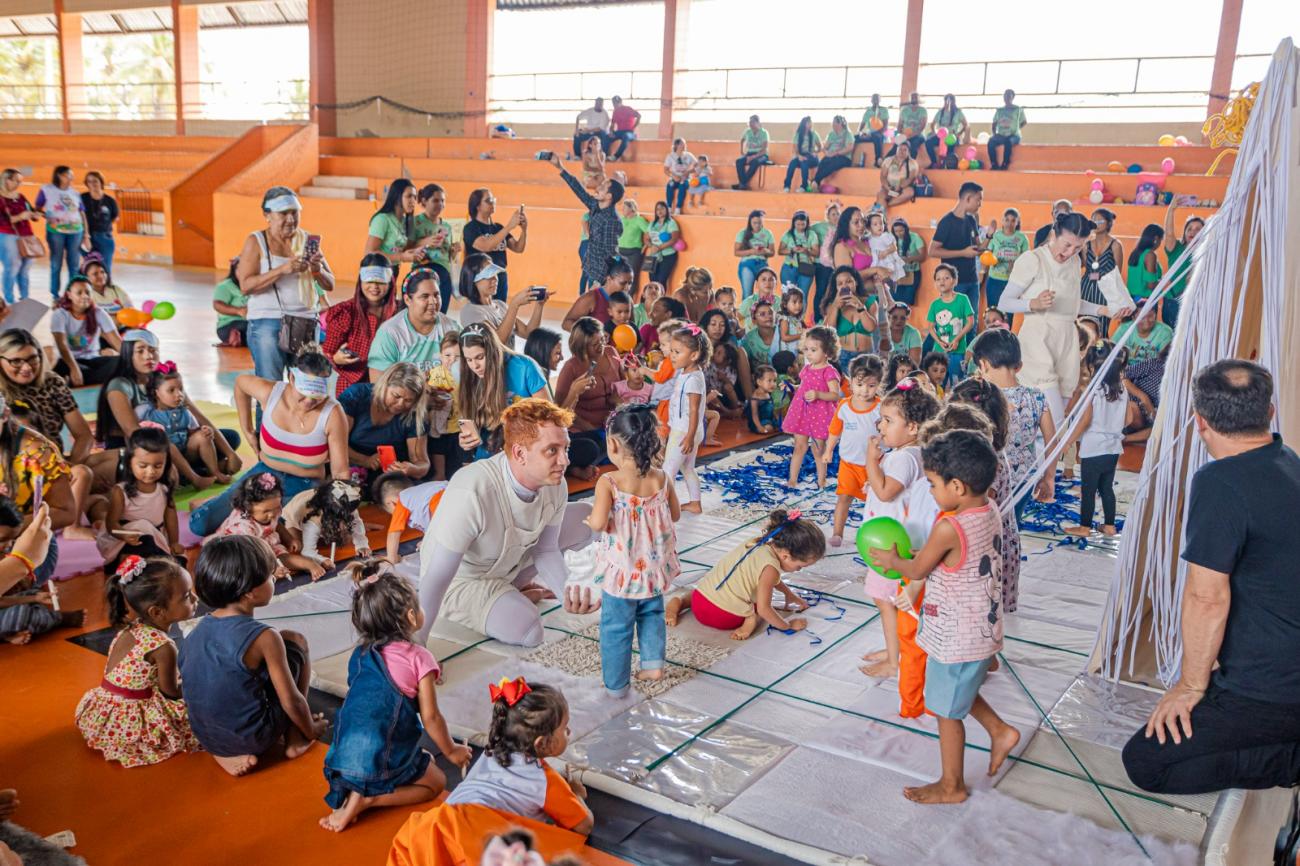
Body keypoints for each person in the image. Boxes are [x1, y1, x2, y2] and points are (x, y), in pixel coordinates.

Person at [1122, 360, 1300, 796]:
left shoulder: (1219, 481)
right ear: (1270, 412)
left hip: (1274, 689)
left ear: (1199, 421)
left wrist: (1190, 685)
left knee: (1147, 762)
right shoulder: (1287, 459)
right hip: (1283, 667)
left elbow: (1207, 597)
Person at [868, 430, 1019, 804]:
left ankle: (952, 786)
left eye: (933, 484)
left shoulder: (950, 526)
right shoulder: (988, 507)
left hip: (957, 637)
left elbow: (918, 569)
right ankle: (999, 730)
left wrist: (892, 560)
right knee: (957, 690)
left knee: (944, 710)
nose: (931, 492)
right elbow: (950, 558)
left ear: (957, 486)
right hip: (981, 630)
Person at [413, 399, 597, 647]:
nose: (565, 461)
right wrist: (417, 646)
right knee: (529, 631)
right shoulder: (472, 489)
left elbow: (546, 550)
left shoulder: (556, 484)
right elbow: (438, 576)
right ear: (520, 453)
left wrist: (568, 593)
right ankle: (499, 598)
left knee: (589, 518)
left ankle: (511, 589)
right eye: (552, 451)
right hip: (463, 581)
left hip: (509, 564)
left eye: (566, 448)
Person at [320, 559, 471, 833]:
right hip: (380, 756)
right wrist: (452, 751)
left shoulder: (360, 654)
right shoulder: (420, 658)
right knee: (435, 783)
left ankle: (357, 790)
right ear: (412, 617)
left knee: (414, 751)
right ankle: (368, 799)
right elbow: (431, 717)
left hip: (342, 756)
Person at [388, 680, 593, 864]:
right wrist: (576, 795)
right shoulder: (543, 779)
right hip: (475, 833)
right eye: (564, 728)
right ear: (541, 743)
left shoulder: (491, 753)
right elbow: (584, 825)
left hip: (435, 828)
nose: (569, 732)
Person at [181, 535, 327, 776]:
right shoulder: (265, 637)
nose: (274, 578)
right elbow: (291, 701)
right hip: (254, 737)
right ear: (249, 592)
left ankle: (225, 753)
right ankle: (296, 738)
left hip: (207, 737)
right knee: (295, 640)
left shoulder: (195, 632)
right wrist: (311, 728)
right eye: (270, 575)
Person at [188, 344, 348, 537]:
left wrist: (342, 513)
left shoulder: (333, 413)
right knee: (199, 524)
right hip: (264, 474)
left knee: (276, 531)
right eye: (303, 393)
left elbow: (340, 472)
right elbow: (240, 383)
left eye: (316, 397)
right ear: (292, 378)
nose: (308, 402)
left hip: (305, 483)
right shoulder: (271, 392)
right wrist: (248, 430)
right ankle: (215, 502)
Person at [996, 212, 1133, 426]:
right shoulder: (1033, 260)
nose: (1069, 252)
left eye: (1077, 247)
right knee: (1056, 418)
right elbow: (1004, 302)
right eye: (1067, 245)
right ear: (1054, 234)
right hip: (1039, 339)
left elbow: (1072, 303)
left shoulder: (1074, 262)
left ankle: (1046, 449)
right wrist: (1033, 304)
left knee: (1057, 414)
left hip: (1067, 340)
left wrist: (1104, 310)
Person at [586, 404, 680, 696]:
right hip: (653, 568)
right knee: (652, 614)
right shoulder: (661, 478)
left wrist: (591, 520)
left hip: (623, 570)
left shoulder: (608, 482)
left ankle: (616, 685)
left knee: (616, 626)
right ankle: (653, 665)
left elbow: (599, 523)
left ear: (613, 444)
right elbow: (675, 514)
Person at [75, 556, 198, 766]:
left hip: (103, 712)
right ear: (157, 611)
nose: (195, 598)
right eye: (187, 596)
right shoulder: (163, 646)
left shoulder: (131, 628)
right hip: (130, 721)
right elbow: (170, 692)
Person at [860, 380, 941, 679]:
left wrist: (871, 462)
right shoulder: (915, 453)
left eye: (888, 420)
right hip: (902, 539)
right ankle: (896, 649)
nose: (880, 426)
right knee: (891, 601)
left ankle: (895, 661)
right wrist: (875, 477)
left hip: (891, 545)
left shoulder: (903, 457)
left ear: (912, 428)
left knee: (885, 601)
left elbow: (885, 492)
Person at [665, 508, 821, 640]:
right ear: (786, 556)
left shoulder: (757, 542)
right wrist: (787, 626)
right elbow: (764, 609)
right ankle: (750, 621)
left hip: (699, 601)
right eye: (799, 567)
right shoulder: (771, 569)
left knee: (711, 587)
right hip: (725, 618)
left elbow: (768, 579)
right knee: (758, 606)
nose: (798, 570)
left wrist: (788, 594)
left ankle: (680, 602)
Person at [95, 330, 240, 466]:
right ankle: (190, 470)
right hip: (139, 446)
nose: (148, 356)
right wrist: (170, 452)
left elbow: (197, 415)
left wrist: (230, 453)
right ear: (128, 354)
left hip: (172, 441)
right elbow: (133, 432)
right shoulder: (119, 385)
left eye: (153, 350)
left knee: (230, 437)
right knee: (142, 463)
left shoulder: (162, 379)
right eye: (140, 351)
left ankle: (187, 469)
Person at [235, 187, 335, 382]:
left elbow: (330, 283)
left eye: (294, 213)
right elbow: (246, 286)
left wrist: (317, 270)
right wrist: (282, 270)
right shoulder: (256, 241)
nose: (290, 219)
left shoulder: (307, 240)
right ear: (267, 215)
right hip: (268, 321)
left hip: (305, 321)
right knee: (270, 385)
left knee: (306, 384)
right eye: (283, 213)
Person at [968, 328, 1056, 523]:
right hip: (1025, 481)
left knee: (987, 528)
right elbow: (1052, 441)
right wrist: (1049, 477)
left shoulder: (982, 398)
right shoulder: (1037, 397)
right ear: (1019, 366)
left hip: (989, 481)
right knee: (1012, 525)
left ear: (983, 364)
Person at [206, 471, 330, 580]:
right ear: (248, 507)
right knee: (245, 570)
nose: (272, 514)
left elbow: (277, 524)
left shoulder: (272, 511)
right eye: (266, 511)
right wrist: (271, 570)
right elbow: (251, 557)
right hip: (243, 552)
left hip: (265, 542)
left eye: (276, 507)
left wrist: (289, 539)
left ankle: (310, 564)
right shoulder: (243, 527)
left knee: (284, 557)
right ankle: (300, 565)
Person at [455, 325, 551, 463]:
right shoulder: (470, 376)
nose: (475, 366)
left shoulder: (525, 366)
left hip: (527, 447)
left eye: (480, 357)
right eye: (469, 360)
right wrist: (467, 439)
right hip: (490, 452)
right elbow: (475, 425)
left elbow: (548, 417)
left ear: (493, 351)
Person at [1061, 340, 1127, 538]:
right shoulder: (1122, 389)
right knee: (1106, 487)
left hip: (1094, 448)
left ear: (1092, 366)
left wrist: (1068, 441)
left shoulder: (1094, 389)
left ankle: (1084, 527)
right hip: (1113, 448)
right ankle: (1109, 525)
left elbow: (1085, 420)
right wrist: (1113, 426)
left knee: (1088, 490)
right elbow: (1129, 418)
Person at [96, 426, 184, 574]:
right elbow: (111, 524)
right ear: (130, 462)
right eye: (143, 466)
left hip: (154, 538)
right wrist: (123, 534)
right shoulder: (120, 491)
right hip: (125, 541)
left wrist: (174, 542)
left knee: (172, 565)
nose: (150, 471)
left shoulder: (164, 489)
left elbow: (171, 518)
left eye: (158, 466)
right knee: (133, 560)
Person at [139, 361, 235, 488]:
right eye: (171, 390)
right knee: (167, 446)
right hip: (168, 460)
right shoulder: (147, 413)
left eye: (180, 389)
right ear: (156, 392)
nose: (178, 394)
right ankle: (192, 475)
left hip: (188, 454)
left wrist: (205, 432)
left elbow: (194, 433)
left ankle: (214, 472)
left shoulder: (185, 412)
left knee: (205, 436)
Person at [340, 362, 430, 483]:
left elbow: (422, 463)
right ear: (384, 386)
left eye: (408, 400)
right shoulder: (356, 396)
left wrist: (412, 469)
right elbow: (336, 445)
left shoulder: (414, 414)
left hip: (390, 478)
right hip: (349, 468)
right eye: (396, 396)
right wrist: (365, 460)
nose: (400, 404)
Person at [827, 355, 884, 545]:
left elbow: (889, 430)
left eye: (871, 386)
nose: (864, 391)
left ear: (879, 384)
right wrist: (828, 450)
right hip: (849, 464)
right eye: (859, 385)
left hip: (874, 465)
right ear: (850, 382)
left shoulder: (881, 407)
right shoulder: (844, 406)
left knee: (875, 501)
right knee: (844, 498)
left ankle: (873, 535)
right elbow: (835, 430)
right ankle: (837, 533)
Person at [553, 317, 620, 479]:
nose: (601, 346)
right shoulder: (571, 368)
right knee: (599, 444)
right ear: (582, 346)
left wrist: (620, 403)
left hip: (611, 424)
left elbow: (624, 385)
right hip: (584, 430)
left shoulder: (611, 353)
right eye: (595, 344)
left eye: (603, 340)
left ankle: (580, 465)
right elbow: (559, 411)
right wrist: (590, 427)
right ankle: (573, 467)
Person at [324, 254, 400, 395]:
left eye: (380, 282)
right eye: (369, 281)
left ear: (390, 283)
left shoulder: (400, 313)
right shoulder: (345, 312)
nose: (374, 287)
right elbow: (327, 352)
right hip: (351, 386)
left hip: (389, 384)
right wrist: (335, 359)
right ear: (360, 281)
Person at [548, 152, 623, 289]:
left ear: (609, 196)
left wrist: (599, 281)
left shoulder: (613, 221)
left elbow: (610, 253)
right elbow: (579, 190)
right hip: (591, 268)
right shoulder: (596, 205)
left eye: (603, 187)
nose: (598, 188)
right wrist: (560, 167)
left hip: (600, 277)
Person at [369, 267, 459, 378]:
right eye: (425, 296)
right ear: (407, 300)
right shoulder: (390, 333)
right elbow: (377, 382)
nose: (433, 301)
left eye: (436, 295)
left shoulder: (452, 328)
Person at [783, 326, 840, 489]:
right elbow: (804, 387)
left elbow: (835, 395)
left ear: (827, 352)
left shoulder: (829, 372)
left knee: (818, 449)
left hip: (820, 414)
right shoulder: (807, 369)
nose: (808, 354)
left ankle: (821, 480)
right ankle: (792, 479)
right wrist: (792, 387)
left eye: (813, 350)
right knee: (799, 446)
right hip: (802, 412)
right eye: (806, 349)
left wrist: (818, 394)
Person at [662, 325, 709, 515]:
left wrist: (689, 436)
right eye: (672, 351)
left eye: (677, 352)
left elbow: (694, 410)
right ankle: (695, 503)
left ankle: (666, 507)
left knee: (668, 469)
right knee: (688, 468)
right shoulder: (688, 373)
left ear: (694, 355)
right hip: (687, 430)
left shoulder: (693, 380)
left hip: (684, 432)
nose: (672, 356)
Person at [49, 275, 120, 387]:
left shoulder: (99, 313)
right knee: (60, 366)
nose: (85, 296)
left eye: (88, 292)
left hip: (93, 360)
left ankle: (82, 380)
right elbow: (62, 345)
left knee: (121, 362)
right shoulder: (60, 314)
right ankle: (95, 379)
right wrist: (74, 369)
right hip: (69, 361)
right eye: (79, 293)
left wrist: (133, 360)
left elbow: (117, 341)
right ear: (69, 295)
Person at [929, 182, 986, 321]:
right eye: (978, 200)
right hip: (954, 282)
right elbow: (932, 251)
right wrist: (962, 253)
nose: (980, 204)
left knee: (971, 322)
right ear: (968, 198)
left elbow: (978, 248)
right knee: (952, 321)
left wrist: (989, 236)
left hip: (972, 280)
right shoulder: (947, 222)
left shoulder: (971, 220)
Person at [459, 257, 547, 346]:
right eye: (488, 275)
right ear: (472, 280)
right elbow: (497, 342)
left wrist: (539, 305)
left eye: (495, 274)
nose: (495, 279)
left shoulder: (500, 305)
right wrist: (514, 305)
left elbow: (528, 333)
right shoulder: (470, 312)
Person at [281, 479, 370, 567]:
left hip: (326, 517)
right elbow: (307, 551)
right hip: (291, 520)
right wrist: (322, 560)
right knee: (298, 547)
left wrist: (361, 544)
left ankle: (326, 532)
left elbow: (356, 520)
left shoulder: (345, 503)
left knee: (344, 539)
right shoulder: (314, 518)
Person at [464, 188, 526, 303]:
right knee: (483, 311)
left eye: (493, 200)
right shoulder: (471, 228)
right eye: (488, 200)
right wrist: (509, 226)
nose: (493, 203)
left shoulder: (498, 228)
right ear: (477, 206)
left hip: (500, 276)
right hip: (482, 279)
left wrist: (524, 230)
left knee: (500, 310)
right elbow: (486, 246)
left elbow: (518, 248)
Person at [35, 165, 84, 297]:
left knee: (74, 264)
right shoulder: (47, 189)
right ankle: (55, 294)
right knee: (56, 263)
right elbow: (38, 208)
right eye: (68, 175)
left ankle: (72, 293)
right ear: (59, 176)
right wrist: (48, 217)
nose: (71, 178)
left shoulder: (75, 193)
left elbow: (82, 213)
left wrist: (86, 233)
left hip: (75, 232)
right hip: (56, 232)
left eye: (72, 175)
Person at [411, 183, 462, 311]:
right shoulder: (415, 223)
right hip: (422, 272)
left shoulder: (447, 227)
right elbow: (406, 249)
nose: (440, 204)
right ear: (424, 201)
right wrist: (425, 241)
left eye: (442, 201)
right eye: (435, 200)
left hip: (444, 275)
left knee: (441, 313)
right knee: (423, 312)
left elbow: (449, 256)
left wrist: (454, 251)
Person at [926, 263, 975, 385]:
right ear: (935, 283)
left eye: (946, 278)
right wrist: (939, 342)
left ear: (955, 281)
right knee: (938, 383)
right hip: (939, 352)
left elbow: (970, 322)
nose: (942, 281)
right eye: (938, 279)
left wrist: (957, 339)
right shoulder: (935, 304)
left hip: (958, 351)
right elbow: (930, 327)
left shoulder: (963, 299)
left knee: (957, 382)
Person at [822, 266, 878, 368]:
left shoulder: (870, 301)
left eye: (848, 281)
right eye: (840, 284)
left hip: (866, 356)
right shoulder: (832, 305)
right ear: (836, 288)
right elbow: (827, 331)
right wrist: (835, 307)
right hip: (843, 357)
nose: (845, 286)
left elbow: (871, 328)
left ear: (856, 282)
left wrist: (860, 306)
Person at [1081, 208, 1125, 335]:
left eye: (1100, 221)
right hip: (1086, 287)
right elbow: (1085, 266)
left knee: (1102, 325)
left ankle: (1100, 347)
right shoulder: (1086, 244)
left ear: (1109, 223)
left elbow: (1117, 273)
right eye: (1094, 220)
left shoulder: (1115, 245)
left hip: (1105, 290)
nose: (1096, 223)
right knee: (1083, 323)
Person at [1162, 203, 1204, 329]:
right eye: (1189, 228)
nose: (1193, 232)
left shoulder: (1208, 252)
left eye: (1198, 229)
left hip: (1197, 302)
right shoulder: (1176, 249)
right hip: (1174, 302)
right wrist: (1171, 210)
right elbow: (1169, 233)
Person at [984, 209, 1027, 327]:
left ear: (1017, 222)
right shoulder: (996, 236)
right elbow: (986, 253)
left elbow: (1026, 260)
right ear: (1002, 221)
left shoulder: (1022, 238)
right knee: (992, 313)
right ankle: (991, 336)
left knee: (1008, 314)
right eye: (1007, 220)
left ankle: (1005, 336)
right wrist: (988, 263)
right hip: (994, 280)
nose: (1009, 223)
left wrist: (1017, 265)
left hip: (1012, 282)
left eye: (1013, 220)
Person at [0, 169, 37, 303]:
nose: (18, 184)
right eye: (15, 180)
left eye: (20, 181)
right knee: (12, 266)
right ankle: (9, 299)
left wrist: (35, 215)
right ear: (6, 180)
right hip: (7, 235)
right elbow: (2, 220)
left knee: (25, 268)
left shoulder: (20, 197)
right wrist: (20, 216)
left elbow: (31, 211)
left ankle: (25, 298)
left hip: (27, 235)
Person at [81, 171, 118, 276]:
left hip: (104, 237)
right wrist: (85, 236)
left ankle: (106, 286)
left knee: (105, 268)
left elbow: (114, 217)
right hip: (87, 237)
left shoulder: (110, 201)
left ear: (101, 182)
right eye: (89, 181)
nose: (92, 184)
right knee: (90, 267)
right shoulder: (82, 198)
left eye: (95, 181)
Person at [734, 210, 775, 298]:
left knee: (765, 293)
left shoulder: (768, 233)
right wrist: (751, 251)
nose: (757, 225)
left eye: (759, 223)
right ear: (750, 222)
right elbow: (736, 252)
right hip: (747, 264)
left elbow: (772, 252)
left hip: (762, 264)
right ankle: (747, 307)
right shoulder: (742, 233)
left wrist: (765, 251)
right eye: (754, 223)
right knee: (747, 293)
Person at [80, 252, 131, 323]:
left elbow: (130, 310)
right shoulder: (86, 295)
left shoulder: (116, 290)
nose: (100, 276)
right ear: (86, 277)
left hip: (123, 328)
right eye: (95, 274)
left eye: (102, 272)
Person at [777, 210, 818, 296]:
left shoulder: (811, 234)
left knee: (803, 295)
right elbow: (780, 251)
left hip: (806, 267)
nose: (800, 227)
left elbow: (816, 252)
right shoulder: (788, 234)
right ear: (794, 223)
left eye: (803, 224)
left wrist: (806, 251)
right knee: (787, 294)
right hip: (789, 267)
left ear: (807, 223)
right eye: (798, 224)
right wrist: (792, 250)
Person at [889, 217, 926, 307]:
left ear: (906, 229)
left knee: (907, 301)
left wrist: (908, 259)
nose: (898, 234)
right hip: (897, 275)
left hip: (912, 273)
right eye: (896, 231)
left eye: (901, 231)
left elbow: (922, 256)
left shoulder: (915, 237)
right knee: (894, 300)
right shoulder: (892, 238)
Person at [924, 94, 968, 169]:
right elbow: (933, 124)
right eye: (946, 100)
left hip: (952, 136)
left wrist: (959, 134)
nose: (948, 102)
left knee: (950, 146)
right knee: (928, 143)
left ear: (954, 101)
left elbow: (965, 124)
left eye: (950, 100)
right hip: (941, 136)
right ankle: (934, 163)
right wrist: (935, 132)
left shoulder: (958, 112)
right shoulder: (940, 112)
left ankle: (947, 165)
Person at [1125, 223, 1165, 305]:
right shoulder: (1150, 255)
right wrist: (1164, 281)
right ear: (1156, 238)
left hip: (1131, 299)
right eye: (1161, 240)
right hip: (1144, 301)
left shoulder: (1136, 252)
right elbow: (1151, 285)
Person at [212, 257, 248, 347]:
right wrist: (238, 311)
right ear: (234, 270)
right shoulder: (225, 286)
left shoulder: (255, 285)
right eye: (241, 270)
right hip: (229, 324)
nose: (245, 273)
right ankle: (235, 335)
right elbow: (217, 305)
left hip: (251, 321)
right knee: (251, 327)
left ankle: (240, 339)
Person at [988, 89, 1028, 170]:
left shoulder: (1018, 109)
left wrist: (1016, 128)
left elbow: (1024, 122)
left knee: (1008, 142)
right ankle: (994, 164)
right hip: (1001, 135)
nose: (1006, 97)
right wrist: (995, 134)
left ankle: (1005, 163)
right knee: (991, 142)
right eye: (1005, 95)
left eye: (1009, 96)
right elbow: (994, 123)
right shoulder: (999, 110)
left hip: (1014, 135)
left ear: (1013, 97)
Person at [643, 201, 680, 288]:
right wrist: (651, 246)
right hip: (653, 255)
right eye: (657, 209)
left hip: (668, 256)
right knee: (652, 280)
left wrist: (659, 247)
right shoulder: (652, 224)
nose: (659, 211)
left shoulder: (671, 223)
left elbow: (674, 239)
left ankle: (661, 297)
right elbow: (646, 239)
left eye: (662, 208)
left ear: (667, 209)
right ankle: (652, 296)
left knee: (661, 281)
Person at [875, 141, 919, 211]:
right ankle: (879, 213)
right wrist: (888, 187)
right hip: (889, 188)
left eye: (905, 150)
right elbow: (883, 177)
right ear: (896, 149)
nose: (902, 152)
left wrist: (900, 187)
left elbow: (911, 179)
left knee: (910, 192)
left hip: (902, 189)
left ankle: (886, 204)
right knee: (880, 195)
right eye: (900, 149)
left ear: (908, 152)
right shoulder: (888, 160)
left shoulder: (912, 163)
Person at [782, 116, 822, 193]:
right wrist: (799, 156)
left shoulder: (814, 134)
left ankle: (804, 186)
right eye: (808, 123)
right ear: (804, 124)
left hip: (811, 156)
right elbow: (795, 149)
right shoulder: (798, 135)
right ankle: (787, 186)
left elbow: (820, 147)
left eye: (810, 123)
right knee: (792, 163)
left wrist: (815, 152)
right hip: (800, 155)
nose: (810, 124)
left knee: (804, 163)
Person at [616, 199, 648, 292]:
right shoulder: (622, 219)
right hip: (620, 251)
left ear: (631, 209)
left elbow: (650, 231)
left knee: (631, 276)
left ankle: (630, 298)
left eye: (624, 208)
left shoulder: (639, 220)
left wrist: (645, 246)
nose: (622, 210)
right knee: (618, 275)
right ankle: (619, 296)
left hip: (634, 252)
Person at [732, 115, 772, 191]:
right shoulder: (748, 131)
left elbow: (764, 150)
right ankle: (743, 184)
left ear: (758, 123)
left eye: (753, 122)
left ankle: (742, 183)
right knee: (739, 161)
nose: (751, 124)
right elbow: (742, 140)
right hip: (750, 153)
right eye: (750, 122)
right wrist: (742, 151)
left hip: (761, 155)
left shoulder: (764, 133)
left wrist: (752, 157)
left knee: (755, 162)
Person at [854, 94, 890, 167]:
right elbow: (862, 124)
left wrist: (874, 133)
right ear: (871, 100)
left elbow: (885, 126)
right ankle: (852, 161)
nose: (875, 100)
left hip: (880, 134)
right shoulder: (868, 111)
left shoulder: (884, 110)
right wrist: (860, 133)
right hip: (869, 135)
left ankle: (878, 160)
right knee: (855, 138)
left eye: (877, 99)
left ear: (880, 100)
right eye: (874, 99)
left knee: (877, 136)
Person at [663, 139, 696, 214]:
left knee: (682, 185)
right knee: (670, 185)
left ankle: (678, 208)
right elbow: (666, 170)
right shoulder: (670, 156)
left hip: (686, 178)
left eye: (684, 144)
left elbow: (698, 166)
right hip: (675, 178)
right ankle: (669, 207)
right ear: (676, 145)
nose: (684, 146)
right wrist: (673, 176)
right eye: (681, 144)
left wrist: (687, 172)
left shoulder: (689, 155)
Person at [891, 92, 927, 161]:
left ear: (918, 99)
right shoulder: (904, 110)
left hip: (918, 135)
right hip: (905, 134)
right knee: (896, 145)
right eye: (912, 98)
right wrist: (902, 133)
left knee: (913, 146)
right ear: (910, 99)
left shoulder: (923, 110)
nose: (914, 99)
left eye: (916, 98)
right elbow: (899, 125)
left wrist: (912, 135)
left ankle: (909, 163)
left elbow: (922, 126)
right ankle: (885, 161)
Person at [607, 95, 641, 161]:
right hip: (620, 132)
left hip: (630, 132)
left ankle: (616, 156)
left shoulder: (628, 109)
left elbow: (639, 116)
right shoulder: (615, 112)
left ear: (621, 102)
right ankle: (605, 155)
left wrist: (634, 127)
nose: (615, 105)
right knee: (607, 137)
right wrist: (611, 132)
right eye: (614, 103)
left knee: (626, 136)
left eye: (617, 103)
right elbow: (612, 124)